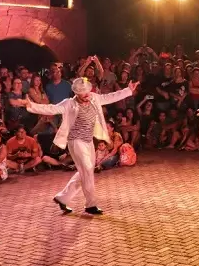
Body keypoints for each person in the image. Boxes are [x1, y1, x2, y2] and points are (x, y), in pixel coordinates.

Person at [16, 77, 139, 215]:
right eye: (82, 93)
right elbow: (52, 108)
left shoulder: (94, 98)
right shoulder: (69, 103)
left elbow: (110, 97)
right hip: (76, 141)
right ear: (76, 93)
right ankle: (91, 204)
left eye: (87, 91)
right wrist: (31, 105)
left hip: (88, 141)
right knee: (87, 169)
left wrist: (128, 90)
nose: (86, 94)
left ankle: (63, 198)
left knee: (85, 171)